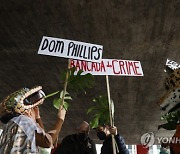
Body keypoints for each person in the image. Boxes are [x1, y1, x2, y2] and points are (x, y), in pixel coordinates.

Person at [0, 86, 66, 153]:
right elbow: (46, 142)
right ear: (27, 111)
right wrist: (60, 119)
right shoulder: (23, 121)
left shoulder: (11, 124)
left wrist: (37, 117)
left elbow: (41, 137)